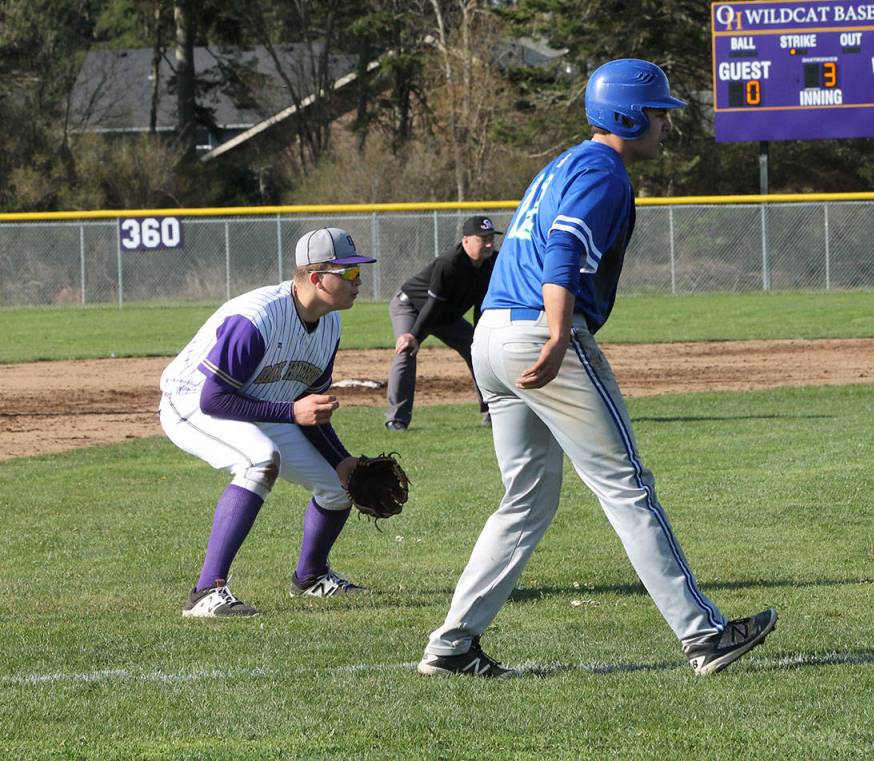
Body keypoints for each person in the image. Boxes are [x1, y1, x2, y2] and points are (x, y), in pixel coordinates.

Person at [417, 59, 777, 677]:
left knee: (524, 503)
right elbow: (563, 247)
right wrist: (558, 332)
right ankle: (705, 635)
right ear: (629, 115)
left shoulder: (563, 163)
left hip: (493, 338)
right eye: (659, 112)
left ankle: (451, 647)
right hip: (537, 328)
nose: (665, 123)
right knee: (626, 486)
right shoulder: (604, 170)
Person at [159, 227, 377, 617]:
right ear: (315, 277)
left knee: (337, 485)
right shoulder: (258, 318)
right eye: (348, 273)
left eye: (358, 272)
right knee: (259, 459)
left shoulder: (329, 324)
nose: (358, 281)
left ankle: (311, 577)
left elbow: (307, 406)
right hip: (190, 402)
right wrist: (291, 413)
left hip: (258, 402)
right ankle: (206, 592)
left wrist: (341, 460)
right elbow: (214, 399)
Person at [385, 216, 501, 431]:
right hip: (411, 307)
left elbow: (481, 303)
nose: (489, 244)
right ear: (466, 240)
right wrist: (415, 336)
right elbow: (432, 304)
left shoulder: (493, 262)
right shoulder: (449, 263)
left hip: (446, 316)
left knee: (478, 351)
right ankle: (396, 419)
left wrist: (481, 335)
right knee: (407, 350)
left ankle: (492, 412)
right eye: (482, 238)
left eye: (491, 238)